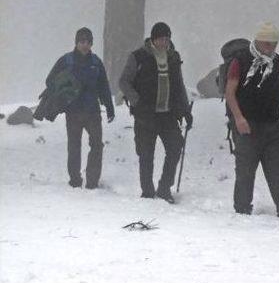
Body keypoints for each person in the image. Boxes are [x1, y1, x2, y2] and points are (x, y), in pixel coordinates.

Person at [224, 22, 279, 219]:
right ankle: (242, 209)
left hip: (273, 125)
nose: (270, 47)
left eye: (274, 43)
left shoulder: (277, 62)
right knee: (245, 171)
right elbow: (230, 93)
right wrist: (239, 119)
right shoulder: (240, 61)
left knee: (278, 169)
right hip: (247, 125)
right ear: (257, 40)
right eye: (266, 43)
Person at [119, 22, 193, 203]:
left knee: (175, 147)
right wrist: (137, 102)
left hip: (168, 114)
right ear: (153, 38)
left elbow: (179, 85)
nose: (164, 42)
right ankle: (147, 190)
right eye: (161, 39)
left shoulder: (174, 57)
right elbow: (124, 82)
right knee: (146, 153)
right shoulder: (139, 56)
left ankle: (164, 187)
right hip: (145, 115)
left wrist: (184, 110)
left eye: (167, 39)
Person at [45, 27, 115, 189]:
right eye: (82, 42)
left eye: (88, 42)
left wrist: (109, 107)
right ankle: (75, 180)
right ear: (76, 43)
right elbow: (50, 81)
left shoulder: (96, 62)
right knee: (74, 146)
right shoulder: (66, 61)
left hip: (93, 111)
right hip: (73, 111)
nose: (85, 45)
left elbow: (104, 86)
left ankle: (92, 181)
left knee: (97, 145)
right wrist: (65, 91)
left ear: (91, 44)